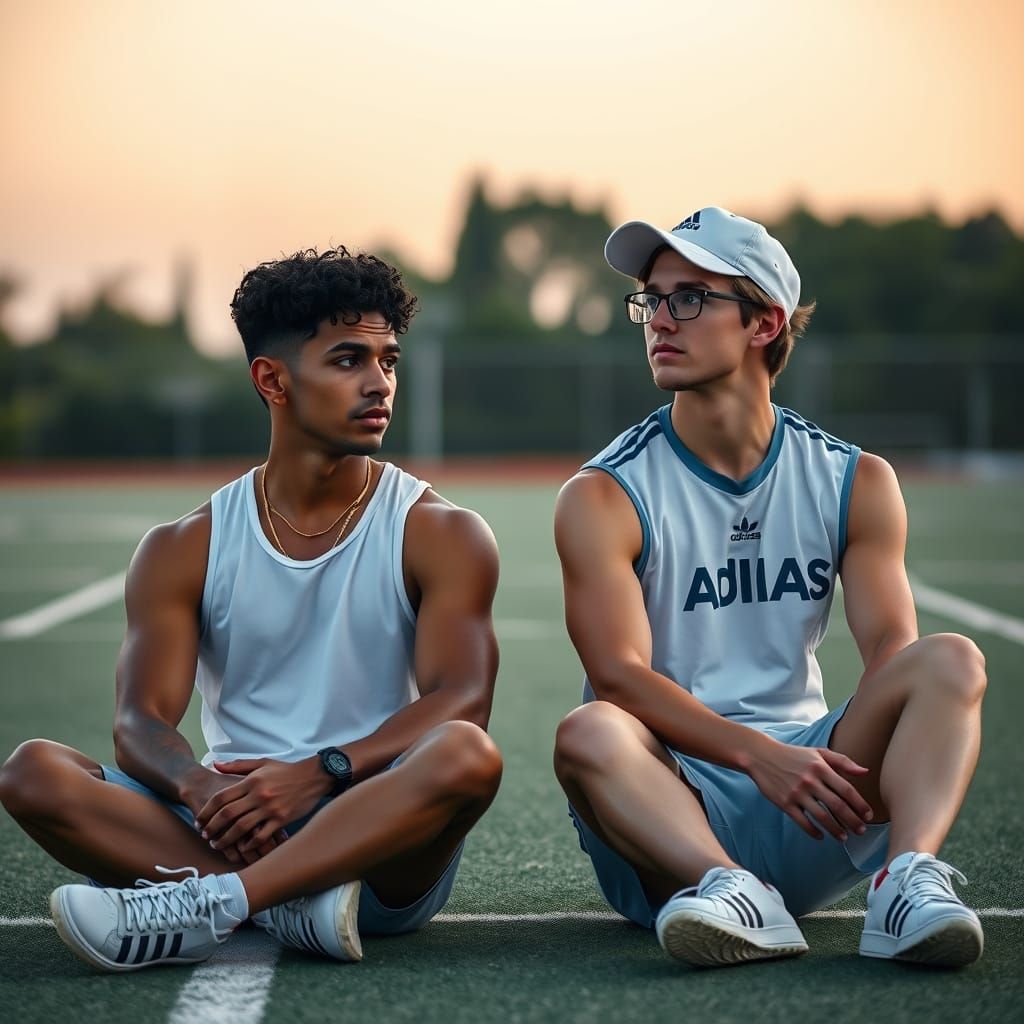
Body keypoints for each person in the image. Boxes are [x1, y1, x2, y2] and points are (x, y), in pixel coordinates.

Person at [0, 246, 503, 972]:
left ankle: (222, 902)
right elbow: (140, 720)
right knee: (32, 772)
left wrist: (321, 772)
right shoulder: (183, 545)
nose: (379, 383)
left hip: (375, 830)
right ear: (272, 379)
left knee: (466, 754)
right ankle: (287, 901)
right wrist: (201, 788)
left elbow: (463, 700)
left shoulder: (441, 532)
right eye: (348, 360)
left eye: (388, 360)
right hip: (227, 819)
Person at [552, 207, 986, 969]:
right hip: (667, 807)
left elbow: (892, 649)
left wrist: (815, 763)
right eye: (652, 299)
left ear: (764, 323)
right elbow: (618, 675)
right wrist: (758, 757)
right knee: (589, 729)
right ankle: (730, 890)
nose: (660, 320)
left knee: (950, 660)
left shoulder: (855, 479)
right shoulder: (604, 493)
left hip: (813, 795)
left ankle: (905, 881)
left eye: (690, 298)